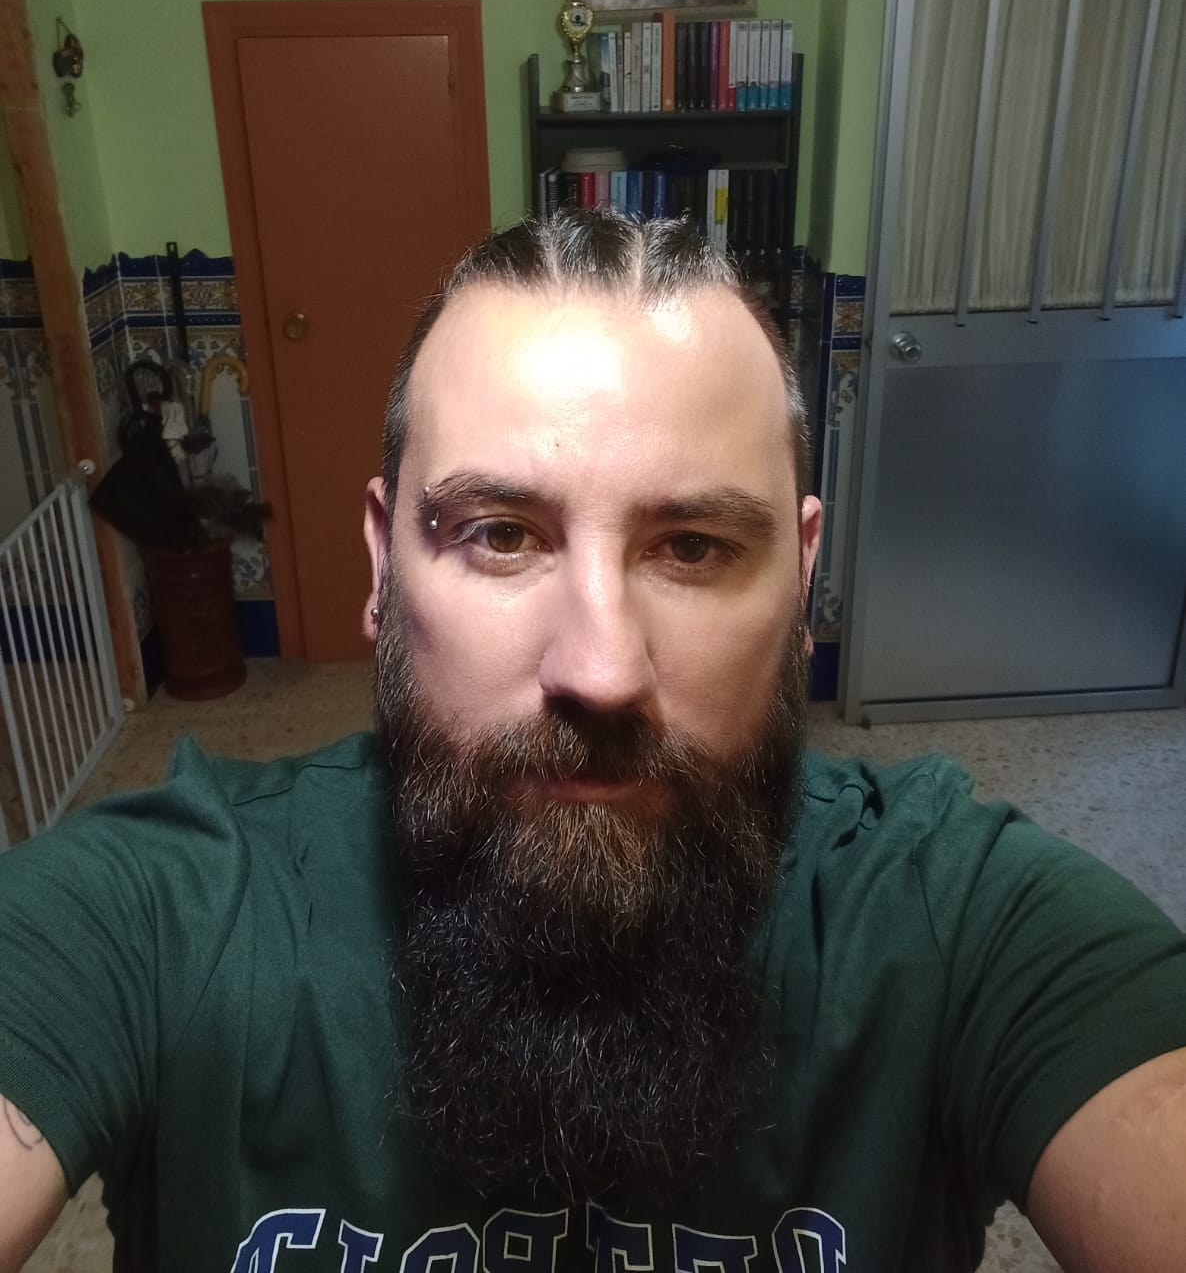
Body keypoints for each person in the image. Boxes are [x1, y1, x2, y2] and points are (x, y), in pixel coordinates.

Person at [1, 210, 1184, 1273]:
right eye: (500, 535)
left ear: (802, 577)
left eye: (692, 548)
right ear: (380, 564)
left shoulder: (958, 927)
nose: (602, 671)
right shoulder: (158, 919)